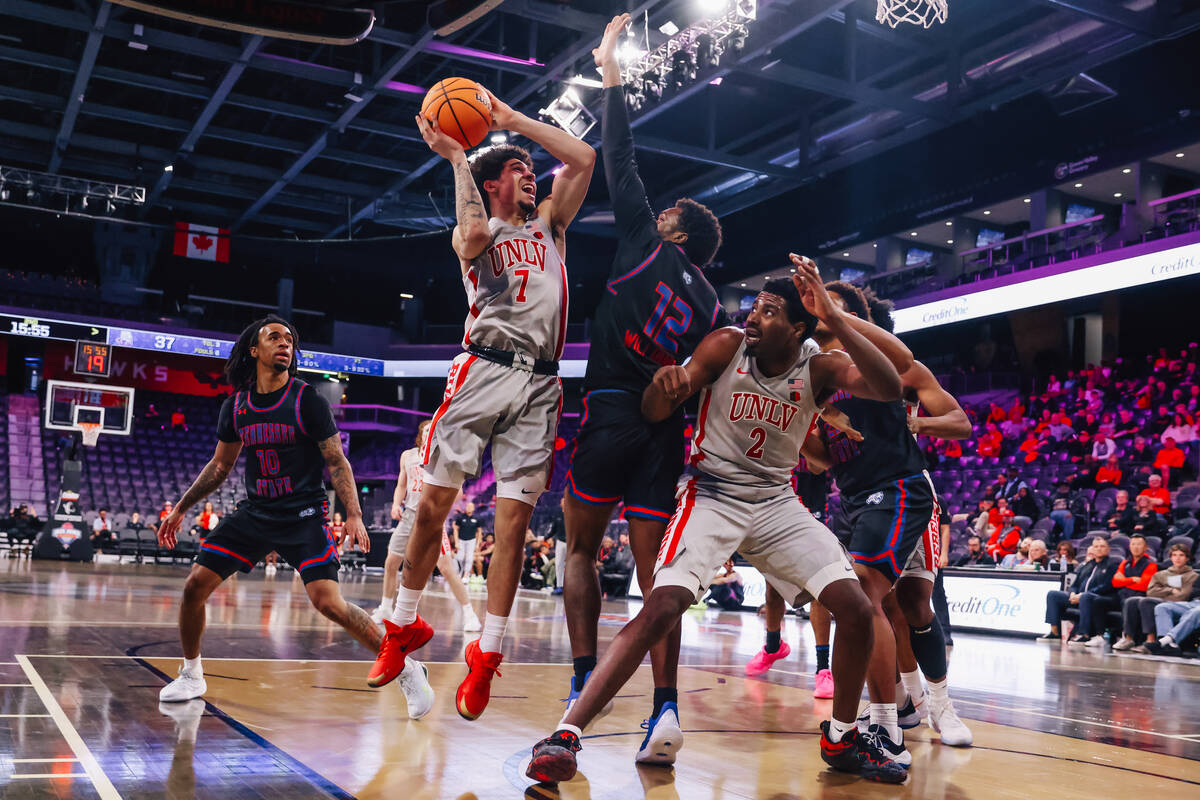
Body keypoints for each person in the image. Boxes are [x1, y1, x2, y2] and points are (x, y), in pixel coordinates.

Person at [525, 259, 909, 785]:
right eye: (755, 306)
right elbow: (656, 408)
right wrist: (666, 387)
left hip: (775, 501)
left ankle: (842, 738)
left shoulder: (820, 365)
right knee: (662, 606)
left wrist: (837, 318)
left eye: (769, 311)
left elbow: (889, 387)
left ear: (797, 328)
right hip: (712, 492)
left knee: (857, 608)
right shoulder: (728, 344)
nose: (752, 315)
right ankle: (565, 734)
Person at [367, 77, 596, 724]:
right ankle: (402, 625)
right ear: (493, 183)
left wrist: (513, 120)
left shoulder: (550, 225)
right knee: (434, 504)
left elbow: (584, 159)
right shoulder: (479, 229)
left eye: (531, 172)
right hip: (482, 369)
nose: (531, 177)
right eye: (519, 171)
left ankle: (487, 653)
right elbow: (470, 234)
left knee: (514, 524)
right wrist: (458, 155)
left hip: (542, 382)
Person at [553, 14, 730, 759]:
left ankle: (583, 680)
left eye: (668, 216)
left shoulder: (642, 242)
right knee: (659, 580)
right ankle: (665, 711)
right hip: (666, 433)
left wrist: (611, 74)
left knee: (579, 551)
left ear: (677, 234)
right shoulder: (713, 309)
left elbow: (618, 151)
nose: (657, 215)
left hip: (610, 414)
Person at [156, 316, 435, 719]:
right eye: (274, 337)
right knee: (194, 586)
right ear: (254, 350)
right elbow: (220, 466)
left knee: (329, 603)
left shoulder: (307, 400)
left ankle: (406, 669)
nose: (285, 343)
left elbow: (337, 461)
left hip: (303, 516)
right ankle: (191, 674)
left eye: (290, 339)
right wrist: (181, 507)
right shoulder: (237, 406)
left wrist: (354, 514)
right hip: (257, 513)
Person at [801, 279, 973, 759]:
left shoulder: (894, 366)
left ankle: (937, 707)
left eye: (830, 306)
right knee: (876, 603)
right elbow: (821, 462)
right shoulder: (814, 374)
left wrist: (918, 422)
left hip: (903, 487)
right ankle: (899, 704)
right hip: (853, 498)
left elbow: (961, 424)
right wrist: (798, 433)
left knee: (912, 603)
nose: (816, 310)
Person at [371, 421, 481, 632]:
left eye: (434, 431)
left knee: (446, 568)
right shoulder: (408, 456)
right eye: (427, 431)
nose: (430, 434)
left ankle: (470, 614)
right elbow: (401, 484)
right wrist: (395, 504)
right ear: (421, 435)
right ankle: (385, 608)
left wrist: (442, 504)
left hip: (432, 520)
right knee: (391, 562)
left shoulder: (444, 458)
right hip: (408, 517)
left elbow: (458, 492)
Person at [1114, 543, 1196, 652]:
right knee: (1131, 601)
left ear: (1187, 558)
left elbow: (1182, 595)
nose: (1177, 558)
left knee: (1147, 602)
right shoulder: (1161, 574)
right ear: (1170, 557)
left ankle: (1150, 641)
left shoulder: (1192, 575)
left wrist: (1161, 590)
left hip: (1177, 603)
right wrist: (1170, 590)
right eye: (1174, 555)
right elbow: (1150, 591)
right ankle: (1128, 639)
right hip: (1160, 599)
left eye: (1181, 555)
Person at [1041, 538, 1120, 642]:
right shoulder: (1087, 565)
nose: (1099, 549)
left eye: (1102, 546)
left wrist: (1083, 594)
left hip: (1098, 597)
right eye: (1096, 546)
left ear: (1108, 549)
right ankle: (1054, 632)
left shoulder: (1113, 565)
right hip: (1080, 597)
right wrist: (1073, 593)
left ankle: (1084, 634)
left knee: (1085, 597)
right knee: (1053, 595)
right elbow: (1075, 584)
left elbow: (1107, 586)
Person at [1145, 578, 1200, 656]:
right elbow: (1194, 591)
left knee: (1196, 611)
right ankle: (1168, 645)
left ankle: (1167, 641)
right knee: (1162, 607)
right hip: (1195, 602)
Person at [597, 532, 635, 598]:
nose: (624, 539)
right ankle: (600, 593)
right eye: (621, 537)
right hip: (615, 568)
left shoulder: (628, 550)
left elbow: (625, 565)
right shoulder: (622, 548)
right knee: (600, 570)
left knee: (601, 569)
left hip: (621, 570)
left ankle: (601, 593)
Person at [452, 502, 483, 580]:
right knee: (460, 557)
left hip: (471, 540)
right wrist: (456, 542)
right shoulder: (460, 517)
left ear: (473, 508)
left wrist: (477, 544)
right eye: (467, 506)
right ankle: (460, 572)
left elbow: (479, 531)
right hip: (461, 540)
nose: (468, 508)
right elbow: (455, 530)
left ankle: (466, 575)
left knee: (469, 558)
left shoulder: (477, 518)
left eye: (470, 507)